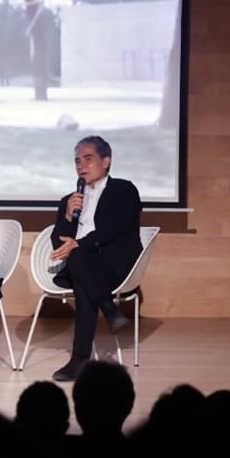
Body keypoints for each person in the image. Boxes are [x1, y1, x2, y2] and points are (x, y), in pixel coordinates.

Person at [49, 136, 142, 382]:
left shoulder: (124, 190)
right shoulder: (69, 200)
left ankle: (79, 360)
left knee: (80, 263)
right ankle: (109, 308)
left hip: (114, 264)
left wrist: (79, 244)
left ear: (106, 161)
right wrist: (68, 217)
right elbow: (58, 244)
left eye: (88, 159)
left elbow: (115, 229)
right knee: (79, 261)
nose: (81, 166)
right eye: (77, 161)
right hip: (81, 265)